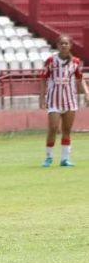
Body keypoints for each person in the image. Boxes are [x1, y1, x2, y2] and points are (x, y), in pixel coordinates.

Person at [40, 35, 88, 167]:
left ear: (70, 46)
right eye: (61, 43)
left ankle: (65, 159)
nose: (64, 46)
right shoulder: (51, 61)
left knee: (67, 129)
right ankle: (49, 157)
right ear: (57, 45)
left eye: (66, 43)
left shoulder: (76, 62)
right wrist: (42, 97)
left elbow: (80, 79)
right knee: (53, 128)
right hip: (54, 100)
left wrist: (87, 93)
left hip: (70, 100)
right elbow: (43, 79)